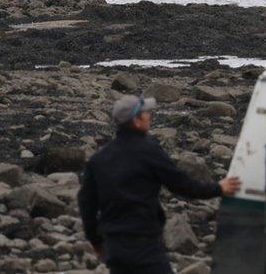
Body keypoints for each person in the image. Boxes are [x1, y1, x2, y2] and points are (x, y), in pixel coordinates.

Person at [77, 94, 241, 273]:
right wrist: (218, 188)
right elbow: (181, 184)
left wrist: (95, 241)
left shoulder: (98, 159)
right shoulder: (149, 151)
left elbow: (86, 204)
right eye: (146, 112)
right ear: (136, 121)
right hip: (145, 244)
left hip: (115, 245)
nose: (150, 114)